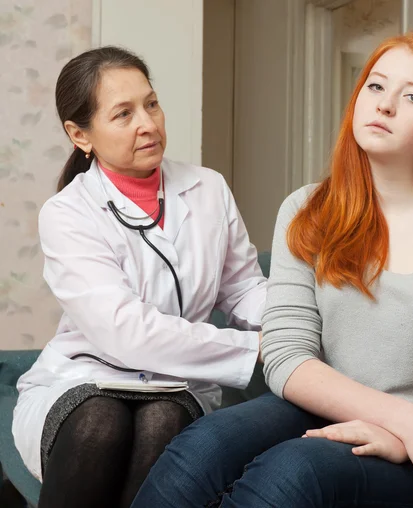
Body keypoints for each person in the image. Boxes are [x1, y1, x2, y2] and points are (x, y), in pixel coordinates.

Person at [132, 32, 413, 508]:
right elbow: (286, 355)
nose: (385, 105)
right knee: (202, 444)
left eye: (412, 97)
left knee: (293, 471)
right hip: (322, 412)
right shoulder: (308, 208)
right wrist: (401, 418)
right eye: (375, 86)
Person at [11, 46, 266, 508]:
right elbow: (126, 333)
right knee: (101, 420)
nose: (147, 124)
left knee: (162, 419)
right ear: (80, 135)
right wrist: (254, 348)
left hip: (181, 384)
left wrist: (294, 325)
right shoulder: (67, 213)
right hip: (85, 379)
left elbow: (245, 288)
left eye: (151, 104)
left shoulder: (208, 188)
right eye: (123, 114)